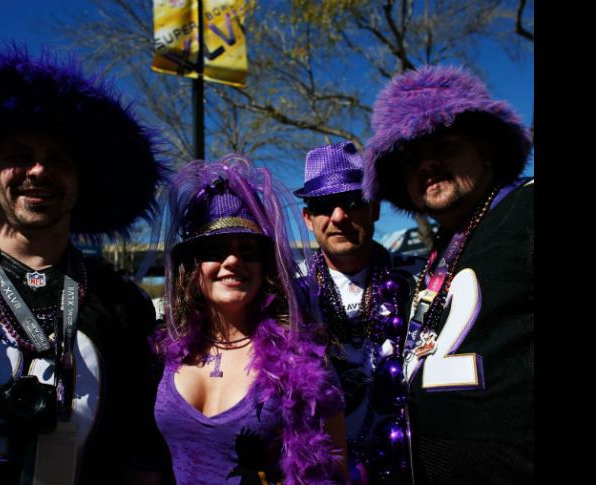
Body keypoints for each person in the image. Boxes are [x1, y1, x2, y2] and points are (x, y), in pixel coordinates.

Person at [0, 46, 170, 484]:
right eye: (18, 155)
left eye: (58, 159)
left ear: (82, 180)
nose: (38, 170)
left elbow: (139, 452)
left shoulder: (121, 303)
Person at [362, 65, 533, 484]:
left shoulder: (527, 208)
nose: (428, 164)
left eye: (446, 146)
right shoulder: (440, 253)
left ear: (487, 149)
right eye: (411, 159)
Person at [153, 155, 349, 484]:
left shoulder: (303, 362)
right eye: (215, 250)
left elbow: (334, 473)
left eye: (249, 251)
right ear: (193, 267)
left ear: (265, 267)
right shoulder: (163, 354)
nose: (232, 261)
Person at [294, 142, 412, 484]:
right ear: (307, 218)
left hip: (401, 465)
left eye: (352, 201)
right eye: (323, 205)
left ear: (374, 207)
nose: (339, 216)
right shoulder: (288, 293)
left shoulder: (418, 282)